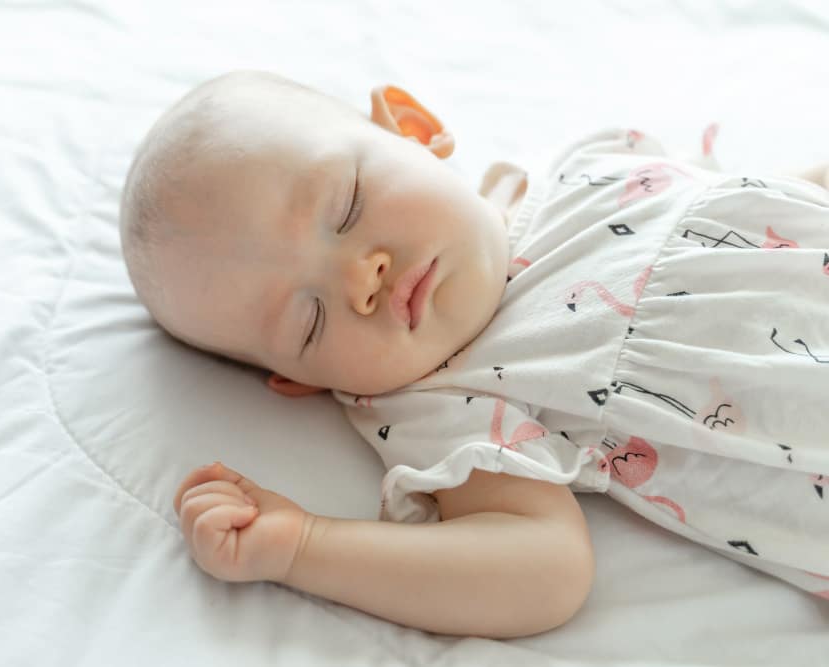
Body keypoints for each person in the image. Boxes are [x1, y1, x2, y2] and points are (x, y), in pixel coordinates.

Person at [119, 70, 829, 638]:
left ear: (413, 127)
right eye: (310, 319)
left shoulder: (588, 166)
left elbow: (772, 208)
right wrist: (303, 546)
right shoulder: (447, 396)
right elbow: (544, 570)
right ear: (301, 379)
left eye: (347, 206)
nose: (361, 278)